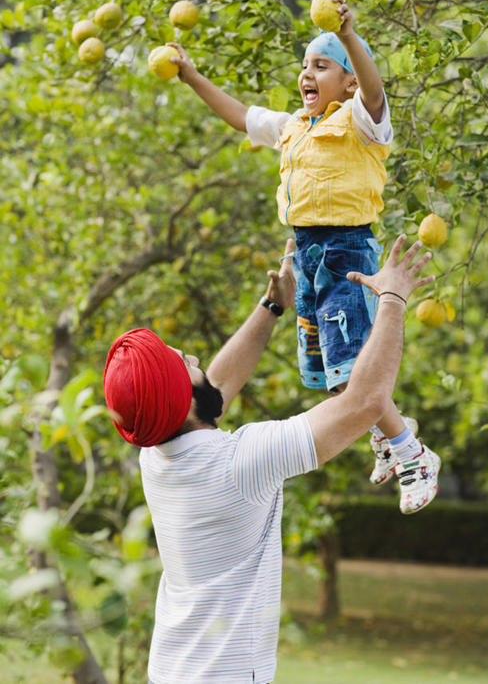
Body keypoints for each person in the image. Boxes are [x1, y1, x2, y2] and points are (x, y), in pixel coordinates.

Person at [103, 235, 440, 684]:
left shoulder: (155, 454)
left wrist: (272, 306)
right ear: (181, 399)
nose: (189, 354)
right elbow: (365, 402)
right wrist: (394, 297)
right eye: (178, 361)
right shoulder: (239, 464)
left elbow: (215, 386)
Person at [166, 0, 440, 511]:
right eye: (304, 65)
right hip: (308, 257)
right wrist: (191, 78)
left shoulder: (363, 123)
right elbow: (240, 116)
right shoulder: (294, 126)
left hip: (346, 253)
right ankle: (386, 436)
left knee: (355, 369)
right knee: (330, 375)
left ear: (349, 82)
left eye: (321, 65)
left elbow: (376, 89)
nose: (306, 74)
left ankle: (412, 452)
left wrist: (350, 35)